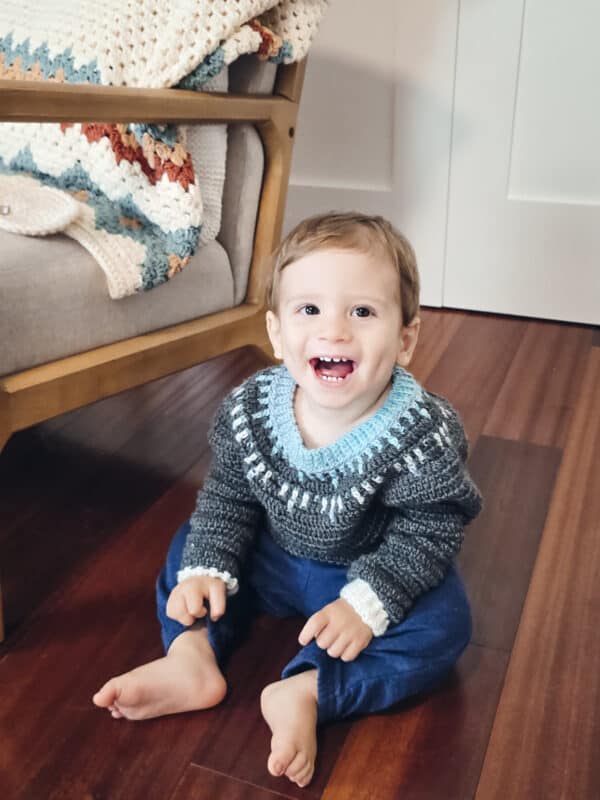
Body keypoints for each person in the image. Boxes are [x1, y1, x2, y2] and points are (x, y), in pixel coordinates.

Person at [93, 211, 482, 789]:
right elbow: (228, 498)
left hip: (361, 569)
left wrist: (369, 600)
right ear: (276, 333)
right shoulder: (250, 410)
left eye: (363, 312)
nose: (334, 332)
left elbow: (429, 530)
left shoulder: (422, 432)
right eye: (309, 310)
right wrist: (211, 569)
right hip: (273, 555)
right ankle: (192, 657)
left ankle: (307, 690)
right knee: (191, 551)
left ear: (405, 339)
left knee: (446, 622)